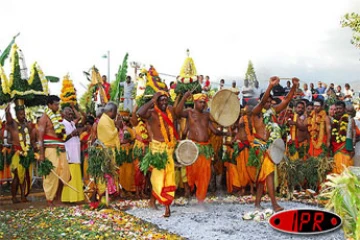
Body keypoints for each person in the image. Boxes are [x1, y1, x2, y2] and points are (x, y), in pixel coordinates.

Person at [251, 76, 298, 212]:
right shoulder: (256, 113)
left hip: (270, 146)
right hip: (261, 146)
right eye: (267, 101)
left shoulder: (273, 112)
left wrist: (294, 86)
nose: (269, 103)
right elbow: (263, 101)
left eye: (271, 102)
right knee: (269, 173)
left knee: (263, 175)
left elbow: (287, 100)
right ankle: (274, 204)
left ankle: (257, 203)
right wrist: (270, 86)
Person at [175, 92, 222, 203]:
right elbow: (177, 112)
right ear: (195, 102)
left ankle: (200, 198)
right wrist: (184, 98)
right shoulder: (189, 112)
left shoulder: (207, 115)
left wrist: (225, 132)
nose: (202, 104)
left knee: (205, 175)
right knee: (192, 173)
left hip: (205, 148)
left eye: (204, 102)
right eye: (200, 102)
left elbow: (215, 129)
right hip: (193, 148)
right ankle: (191, 191)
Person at [137, 91, 178, 217]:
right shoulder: (152, 114)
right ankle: (154, 200)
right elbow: (140, 113)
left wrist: (183, 97)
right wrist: (152, 100)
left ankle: (167, 205)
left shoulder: (170, 112)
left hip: (168, 148)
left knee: (169, 177)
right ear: (157, 102)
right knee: (157, 177)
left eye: (166, 100)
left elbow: (179, 111)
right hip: (156, 149)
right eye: (161, 100)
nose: (164, 103)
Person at [38, 95, 71, 206]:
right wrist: (41, 155)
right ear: (49, 105)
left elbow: (62, 134)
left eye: (58, 104)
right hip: (51, 150)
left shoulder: (59, 117)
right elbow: (40, 138)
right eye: (56, 104)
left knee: (64, 174)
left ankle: (58, 199)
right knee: (51, 176)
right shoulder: (44, 118)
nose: (58, 106)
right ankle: (50, 200)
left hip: (61, 149)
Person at [5, 100, 35, 203]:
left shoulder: (27, 125)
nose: (22, 116)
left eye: (23, 114)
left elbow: (30, 138)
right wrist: (8, 108)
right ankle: (13, 197)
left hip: (26, 153)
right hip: (17, 154)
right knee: (17, 177)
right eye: (20, 114)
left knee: (25, 177)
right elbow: (8, 117)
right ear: (16, 115)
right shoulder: (13, 123)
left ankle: (23, 196)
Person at [96, 102, 121, 201]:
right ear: (111, 111)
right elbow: (111, 135)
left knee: (111, 173)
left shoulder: (107, 119)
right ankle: (104, 196)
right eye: (115, 112)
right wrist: (117, 127)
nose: (116, 114)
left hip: (110, 150)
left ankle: (111, 194)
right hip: (106, 151)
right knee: (106, 174)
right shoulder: (104, 121)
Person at [61, 107, 85, 203]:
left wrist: (73, 106)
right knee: (69, 177)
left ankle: (76, 198)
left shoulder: (72, 123)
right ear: (63, 114)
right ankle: (68, 198)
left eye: (71, 113)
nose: (71, 115)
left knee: (76, 177)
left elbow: (79, 116)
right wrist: (71, 135)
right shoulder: (62, 124)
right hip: (69, 154)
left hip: (75, 155)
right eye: (68, 113)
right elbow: (61, 139)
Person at [331, 101, 355, 174]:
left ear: (344, 109)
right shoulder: (334, 120)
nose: (338, 110)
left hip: (345, 148)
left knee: (345, 170)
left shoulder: (349, 119)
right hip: (336, 147)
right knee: (336, 170)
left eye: (340, 108)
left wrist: (353, 147)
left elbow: (353, 133)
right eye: (337, 109)